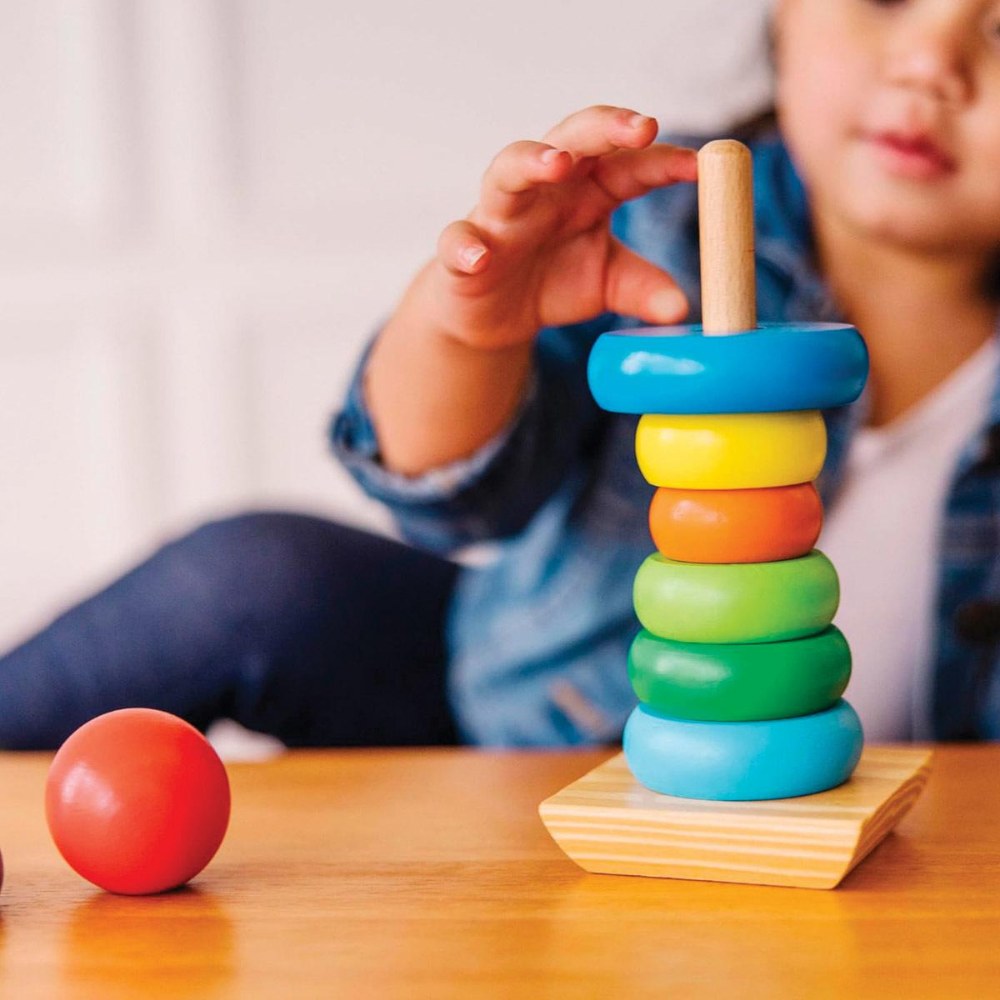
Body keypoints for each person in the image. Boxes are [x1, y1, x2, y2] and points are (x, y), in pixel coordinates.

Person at [2, 0, 999, 749]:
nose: (931, 64)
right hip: (535, 735)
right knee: (252, 578)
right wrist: (471, 325)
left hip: (893, 805)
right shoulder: (657, 227)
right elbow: (454, 496)